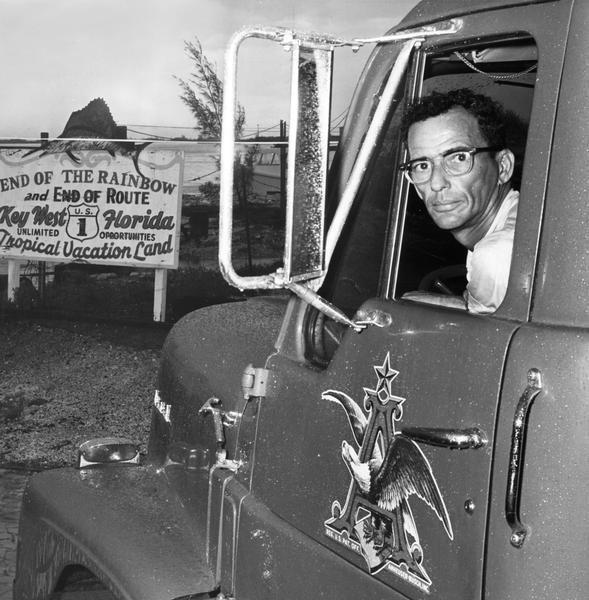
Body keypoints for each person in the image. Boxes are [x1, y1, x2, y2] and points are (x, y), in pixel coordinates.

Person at [399, 88, 518, 314]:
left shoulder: (498, 254)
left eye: (459, 158)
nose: (436, 183)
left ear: (503, 166)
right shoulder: (515, 222)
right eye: (422, 166)